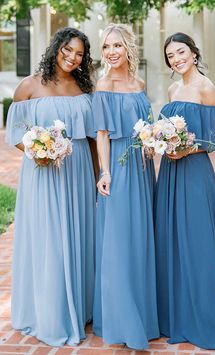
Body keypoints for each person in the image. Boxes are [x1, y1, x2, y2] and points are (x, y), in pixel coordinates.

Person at [6, 27, 96, 346]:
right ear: (56, 47)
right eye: (67, 50)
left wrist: (99, 176)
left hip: (80, 169)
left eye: (80, 54)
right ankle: (50, 311)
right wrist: (37, 152)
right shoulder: (29, 85)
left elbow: (93, 139)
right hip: (43, 173)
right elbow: (16, 132)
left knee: (80, 236)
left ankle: (82, 307)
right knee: (50, 239)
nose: (72, 58)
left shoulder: (86, 87)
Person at [154, 32, 215, 350]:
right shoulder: (173, 88)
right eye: (171, 55)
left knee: (197, 242)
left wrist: (186, 150)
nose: (177, 58)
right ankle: (174, 316)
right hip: (170, 173)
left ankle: (203, 318)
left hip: (195, 173)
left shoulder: (207, 87)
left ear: (193, 53)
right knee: (171, 241)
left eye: (181, 52)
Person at [92, 23, 159, 350]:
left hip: (142, 167)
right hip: (117, 167)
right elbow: (102, 134)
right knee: (118, 241)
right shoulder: (102, 85)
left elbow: (146, 126)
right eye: (106, 47)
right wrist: (104, 172)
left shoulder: (139, 82)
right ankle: (121, 320)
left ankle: (144, 315)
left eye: (117, 45)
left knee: (139, 238)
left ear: (128, 48)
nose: (111, 52)